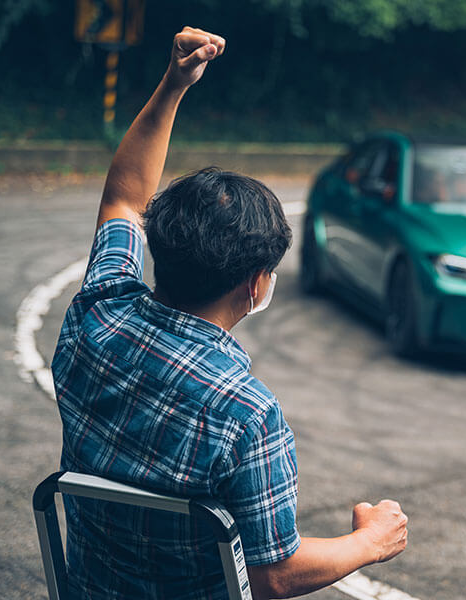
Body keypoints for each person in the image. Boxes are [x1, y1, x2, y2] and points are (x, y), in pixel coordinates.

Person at [52, 27, 407, 599]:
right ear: (256, 285)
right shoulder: (246, 413)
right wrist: (372, 541)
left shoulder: (97, 311)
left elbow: (122, 197)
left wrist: (173, 85)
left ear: (158, 242)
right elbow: (273, 575)